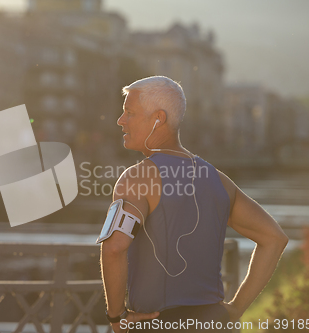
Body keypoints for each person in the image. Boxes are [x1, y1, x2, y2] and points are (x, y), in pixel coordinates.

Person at [99, 76, 289, 333]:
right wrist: (236, 309)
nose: (121, 121)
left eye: (129, 113)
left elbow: (114, 248)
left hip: (158, 324)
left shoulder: (136, 178)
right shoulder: (219, 180)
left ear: (158, 119)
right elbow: (274, 238)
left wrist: (116, 317)